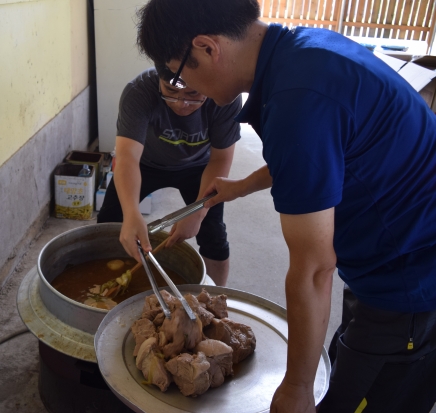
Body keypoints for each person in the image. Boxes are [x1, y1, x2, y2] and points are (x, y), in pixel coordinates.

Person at [135, 1, 436, 412]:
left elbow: (314, 269)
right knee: (341, 362)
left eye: (178, 72)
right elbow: (318, 157)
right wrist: (241, 187)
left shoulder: (298, 100)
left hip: (412, 278)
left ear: (206, 48)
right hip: (384, 254)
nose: (184, 85)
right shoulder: (304, 50)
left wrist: (296, 386)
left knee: (356, 398)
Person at [96, 66, 242, 286]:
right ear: (159, 79)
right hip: (144, 163)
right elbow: (127, 158)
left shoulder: (225, 95)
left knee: (213, 235)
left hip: (200, 167)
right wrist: (131, 212)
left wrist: (197, 213)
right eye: (170, 92)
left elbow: (220, 159)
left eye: (193, 94)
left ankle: (218, 298)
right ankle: (103, 287)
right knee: (109, 223)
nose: (181, 103)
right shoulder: (139, 91)